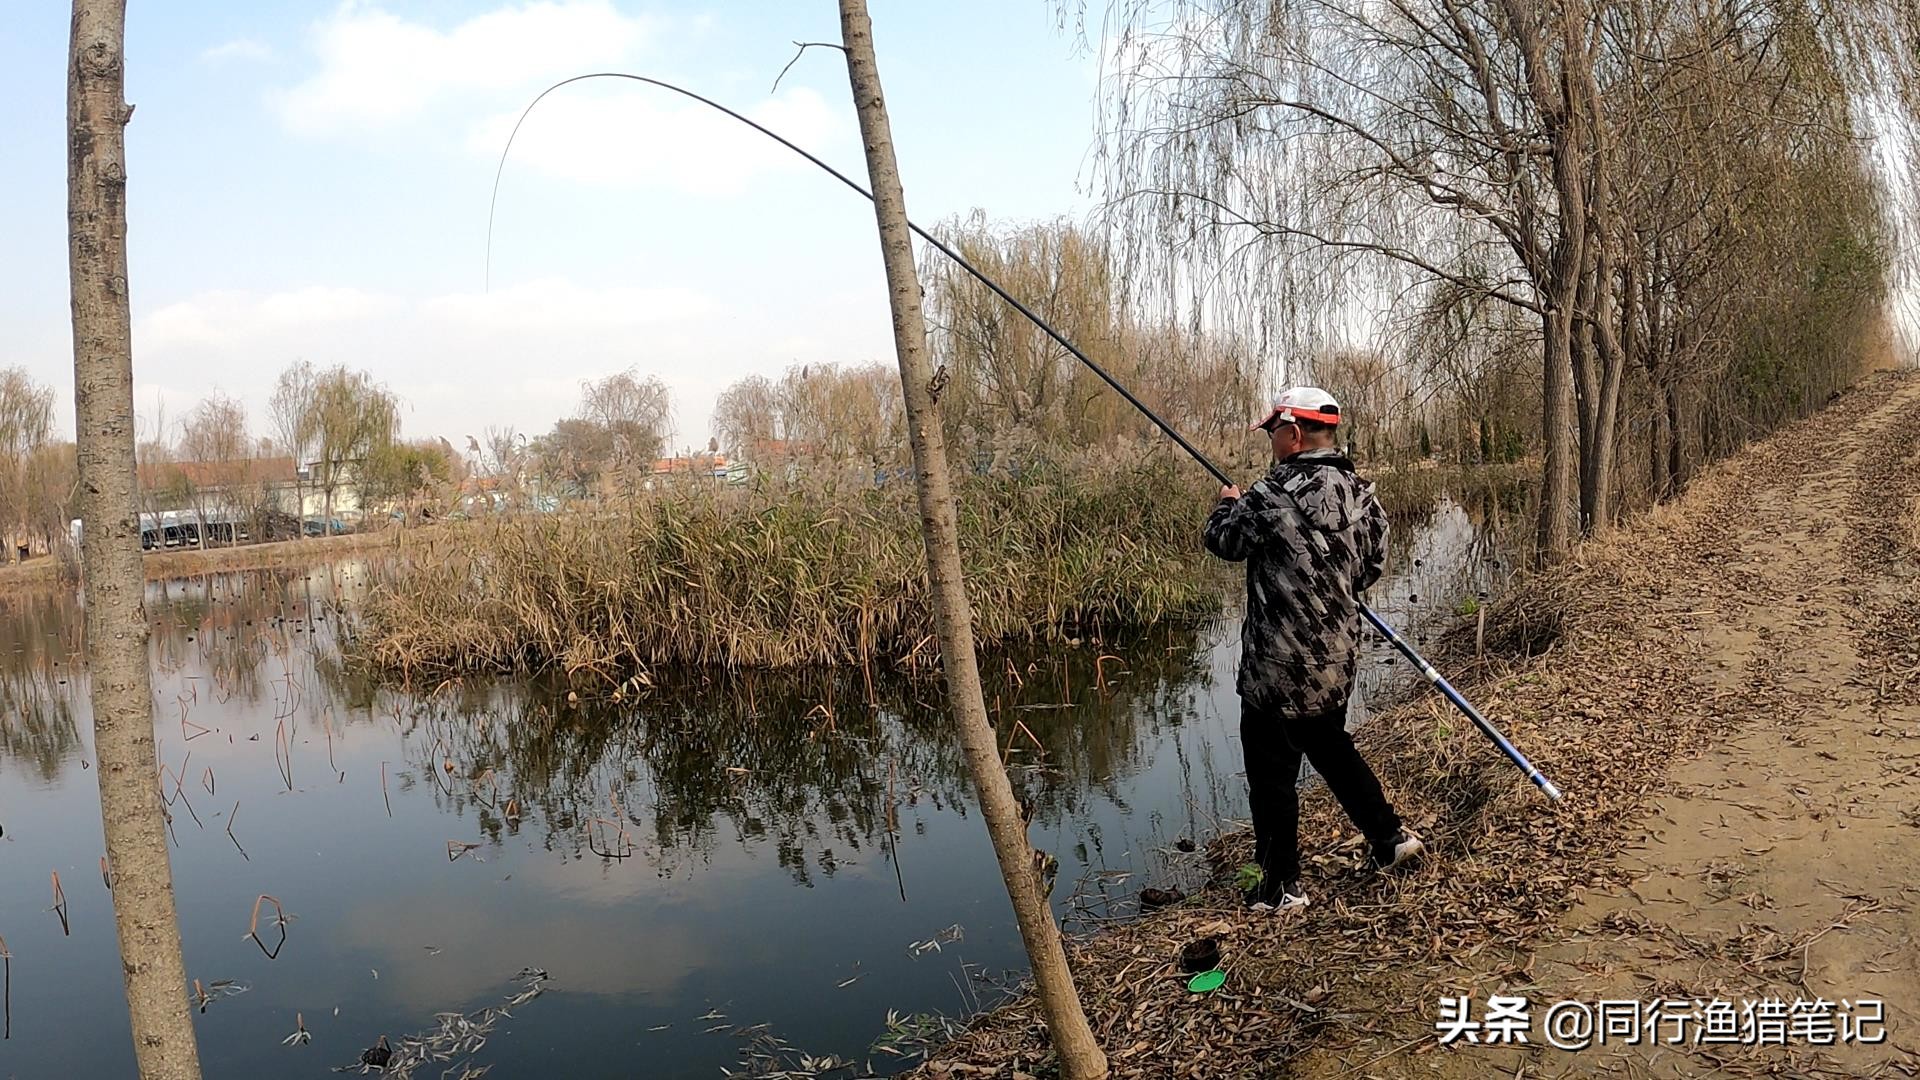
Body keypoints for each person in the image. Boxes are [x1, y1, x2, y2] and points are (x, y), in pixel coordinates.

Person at [1203, 386, 1422, 912]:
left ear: (1294, 434)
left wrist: (1224, 506)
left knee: (1271, 779)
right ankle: (1390, 839)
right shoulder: (1365, 496)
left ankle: (1281, 887)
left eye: (1273, 432)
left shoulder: (1267, 495)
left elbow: (1225, 544)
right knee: (1329, 746)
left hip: (1273, 672)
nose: (1271, 441)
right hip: (1335, 663)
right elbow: (1370, 569)